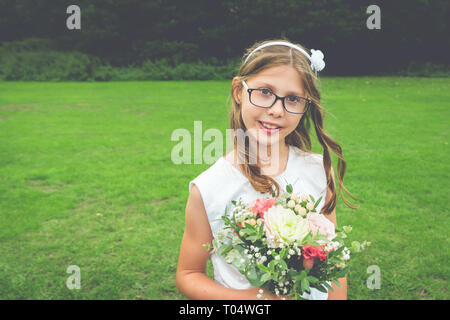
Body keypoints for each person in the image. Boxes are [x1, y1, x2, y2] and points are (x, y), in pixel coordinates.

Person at [176, 39, 359, 300]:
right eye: (264, 92)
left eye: (293, 99)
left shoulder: (318, 170)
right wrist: (252, 298)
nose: (276, 110)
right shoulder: (208, 188)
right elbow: (188, 275)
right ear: (239, 91)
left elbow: (334, 260)